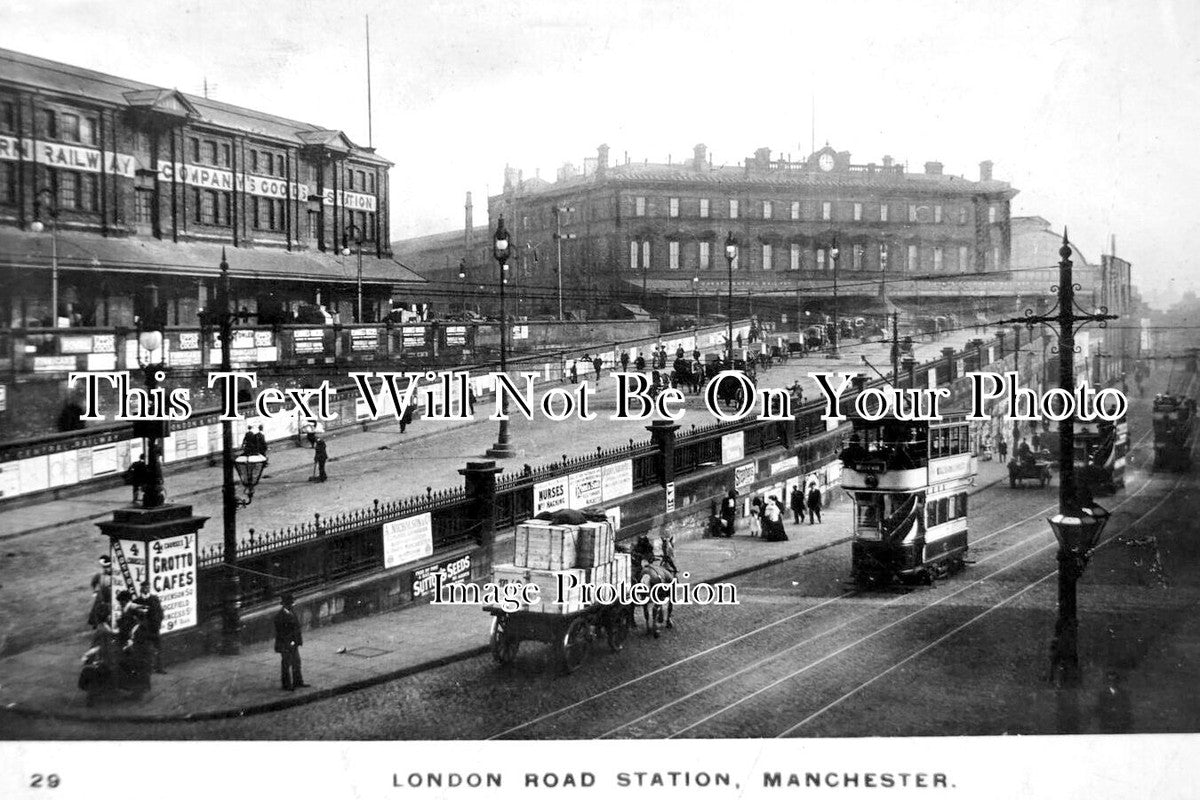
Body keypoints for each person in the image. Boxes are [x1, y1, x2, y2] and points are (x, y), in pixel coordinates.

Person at [273, 592, 308, 691]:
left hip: (293, 643)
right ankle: (286, 685)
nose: (291, 605)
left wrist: (296, 641)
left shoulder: (291, 612)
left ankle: (298, 681)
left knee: (296, 662)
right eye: (290, 604)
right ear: (285, 604)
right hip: (285, 644)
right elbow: (282, 633)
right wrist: (291, 642)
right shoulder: (279, 617)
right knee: (286, 664)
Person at [136, 582, 166, 674]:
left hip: (154, 628)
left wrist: (158, 623)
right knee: (145, 649)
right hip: (144, 630)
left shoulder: (154, 599)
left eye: (148, 587)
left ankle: (159, 668)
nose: (146, 589)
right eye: (144, 587)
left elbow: (160, 612)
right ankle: (148, 669)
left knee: (158, 648)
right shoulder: (137, 601)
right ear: (141, 589)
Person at [88, 555, 113, 628]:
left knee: (109, 607)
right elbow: (93, 582)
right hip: (101, 593)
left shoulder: (114, 573)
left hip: (111, 593)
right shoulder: (99, 574)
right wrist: (95, 591)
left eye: (108, 567)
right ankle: (96, 623)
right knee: (97, 608)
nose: (106, 569)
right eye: (104, 567)